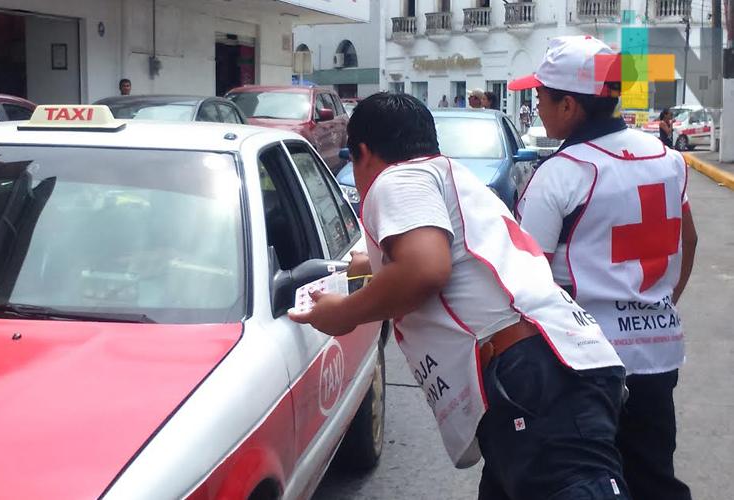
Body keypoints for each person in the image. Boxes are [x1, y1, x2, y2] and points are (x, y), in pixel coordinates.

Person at [290, 92, 631, 500]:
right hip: (553, 365)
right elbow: (449, 253)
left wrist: (344, 313)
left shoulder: (396, 178)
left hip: (532, 373)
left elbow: (424, 268)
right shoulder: (448, 174)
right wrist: (371, 263)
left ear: (362, 153)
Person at [512, 36, 697, 500]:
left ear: (570, 105)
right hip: (658, 354)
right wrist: (655, 304)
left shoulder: (562, 173)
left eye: (541, 96)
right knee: (653, 477)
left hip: (585, 366)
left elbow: (523, 275)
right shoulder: (668, 159)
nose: (537, 105)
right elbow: (688, 240)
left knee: (582, 482)